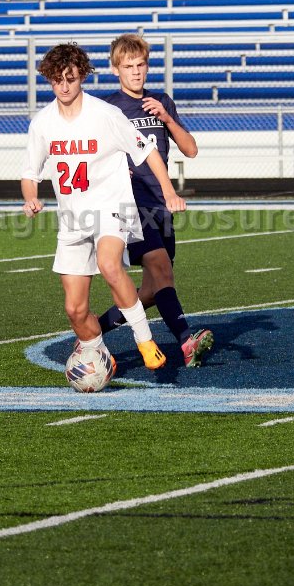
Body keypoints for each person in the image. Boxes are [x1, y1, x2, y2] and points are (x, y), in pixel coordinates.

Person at [21, 42, 186, 371]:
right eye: (57, 80)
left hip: (113, 207)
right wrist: (31, 197)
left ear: (82, 76)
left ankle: (145, 340)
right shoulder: (42, 123)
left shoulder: (105, 115)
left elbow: (148, 152)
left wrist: (169, 191)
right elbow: (29, 172)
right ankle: (97, 355)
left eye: (70, 79)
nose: (64, 86)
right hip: (73, 218)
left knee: (110, 265)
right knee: (75, 310)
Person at [95, 33, 213, 368]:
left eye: (140, 65)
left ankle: (92, 331)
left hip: (162, 204)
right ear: (115, 70)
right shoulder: (107, 109)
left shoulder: (161, 101)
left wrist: (168, 118)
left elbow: (190, 149)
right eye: (128, 66)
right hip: (131, 204)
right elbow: (94, 156)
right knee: (161, 269)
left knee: (153, 288)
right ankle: (187, 341)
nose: (135, 71)